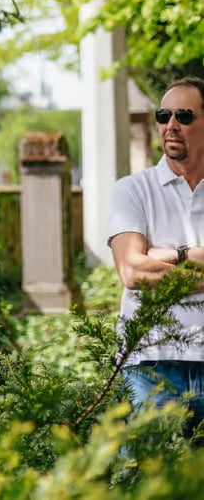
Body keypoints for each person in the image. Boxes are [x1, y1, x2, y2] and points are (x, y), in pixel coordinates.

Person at [108, 75, 204, 429]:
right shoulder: (132, 191)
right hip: (151, 364)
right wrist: (194, 255)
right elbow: (133, 271)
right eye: (163, 116)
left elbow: (149, 267)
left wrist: (172, 254)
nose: (171, 126)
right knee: (149, 480)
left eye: (184, 116)